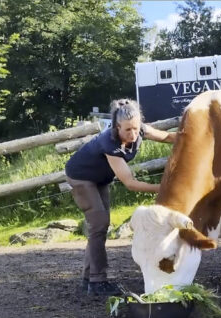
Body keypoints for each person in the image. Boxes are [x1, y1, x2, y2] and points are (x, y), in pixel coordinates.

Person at [65, 99, 177, 296]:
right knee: (99, 224)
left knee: (99, 227)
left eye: (136, 128)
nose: (133, 135)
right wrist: (165, 189)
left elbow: (167, 136)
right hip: (81, 177)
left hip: (100, 179)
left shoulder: (140, 129)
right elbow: (130, 183)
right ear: (117, 127)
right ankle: (97, 282)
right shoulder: (110, 144)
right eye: (127, 130)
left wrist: (193, 137)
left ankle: (88, 279)